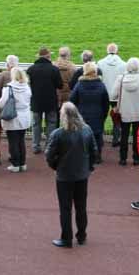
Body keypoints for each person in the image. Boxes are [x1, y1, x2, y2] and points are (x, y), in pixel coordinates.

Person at [45, 102, 97, 248]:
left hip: (64, 176)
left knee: (65, 208)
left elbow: (49, 155)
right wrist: (89, 167)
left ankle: (66, 238)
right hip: (81, 174)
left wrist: (56, 166)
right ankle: (81, 236)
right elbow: (94, 151)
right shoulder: (87, 130)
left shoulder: (58, 134)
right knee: (81, 206)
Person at [111, 57, 139, 166]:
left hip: (124, 111)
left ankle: (123, 158)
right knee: (137, 136)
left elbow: (113, 95)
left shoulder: (120, 79)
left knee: (124, 135)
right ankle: (136, 158)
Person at [69, 62, 109, 162]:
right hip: (98, 114)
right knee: (97, 136)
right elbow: (106, 103)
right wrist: (103, 115)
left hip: (82, 114)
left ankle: (83, 155)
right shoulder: (101, 85)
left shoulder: (79, 84)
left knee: (81, 135)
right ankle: (97, 156)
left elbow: (72, 100)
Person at [27, 47, 63, 154]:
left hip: (36, 101)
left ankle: (35, 146)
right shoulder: (54, 69)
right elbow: (60, 85)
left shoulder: (31, 69)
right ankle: (49, 146)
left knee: (36, 124)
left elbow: (29, 85)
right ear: (48, 56)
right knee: (51, 123)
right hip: (51, 101)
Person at [0, 67, 32, 173]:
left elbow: (2, 103)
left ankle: (15, 164)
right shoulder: (27, 87)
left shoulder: (8, 88)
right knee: (21, 140)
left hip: (12, 116)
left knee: (13, 141)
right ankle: (22, 163)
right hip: (24, 116)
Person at [0, 55, 19, 165]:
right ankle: (14, 155)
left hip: (0, 111)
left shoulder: (2, 76)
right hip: (15, 111)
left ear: (7, 64)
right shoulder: (20, 76)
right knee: (13, 135)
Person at [98, 43, 126, 147]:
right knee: (117, 118)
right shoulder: (124, 64)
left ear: (107, 51)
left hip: (103, 94)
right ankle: (116, 138)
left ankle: (99, 137)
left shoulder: (100, 63)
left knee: (101, 117)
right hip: (117, 95)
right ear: (117, 51)